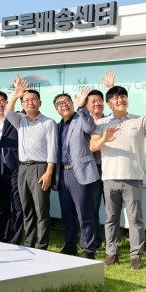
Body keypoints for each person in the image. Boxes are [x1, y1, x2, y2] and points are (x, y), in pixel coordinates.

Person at [90, 86, 146, 269]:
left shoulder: (140, 120)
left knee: (135, 220)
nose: (121, 100)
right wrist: (104, 139)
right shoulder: (101, 123)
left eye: (123, 96)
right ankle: (112, 253)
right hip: (110, 178)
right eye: (116, 98)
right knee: (111, 219)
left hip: (133, 178)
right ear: (109, 103)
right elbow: (93, 146)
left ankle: (136, 256)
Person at [5, 74, 57, 250]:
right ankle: (29, 242)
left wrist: (49, 172)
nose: (30, 103)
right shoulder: (20, 120)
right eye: (26, 100)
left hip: (40, 168)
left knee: (41, 209)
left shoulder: (48, 122)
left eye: (34, 99)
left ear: (40, 103)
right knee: (26, 208)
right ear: (22, 104)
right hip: (23, 169)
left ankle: (41, 245)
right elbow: (7, 113)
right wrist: (15, 94)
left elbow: (53, 150)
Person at [74, 69, 118, 250]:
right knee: (92, 208)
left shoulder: (110, 119)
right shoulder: (81, 121)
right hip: (91, 170)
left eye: (100, 100)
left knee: (112, 208)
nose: (97, 103)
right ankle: (96, 241)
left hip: (109, 169)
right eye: (93, 101)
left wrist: (112, 88)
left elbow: (119, 109)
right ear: (86, 105)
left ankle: (113, 243)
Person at [53, 93, 98, 259]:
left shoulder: (81, 119)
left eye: (67, 101)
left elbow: (90, 128)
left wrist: (82, 108)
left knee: (84, 213)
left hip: (80, 172)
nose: (64, 105)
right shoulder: (57, 126)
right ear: (56, 109)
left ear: (72, 104)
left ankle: (89, 249)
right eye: (59, 103)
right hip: (62, 173)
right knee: (67, 214)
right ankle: (70, 246)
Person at [0, 91, 23, 244]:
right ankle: (3, 235)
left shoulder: (14, 119)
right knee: (3, 205)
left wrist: (16, 95)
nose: (0, 104)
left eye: (2, 101)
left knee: (17, 205)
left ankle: (16, 237)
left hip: (15, 166)